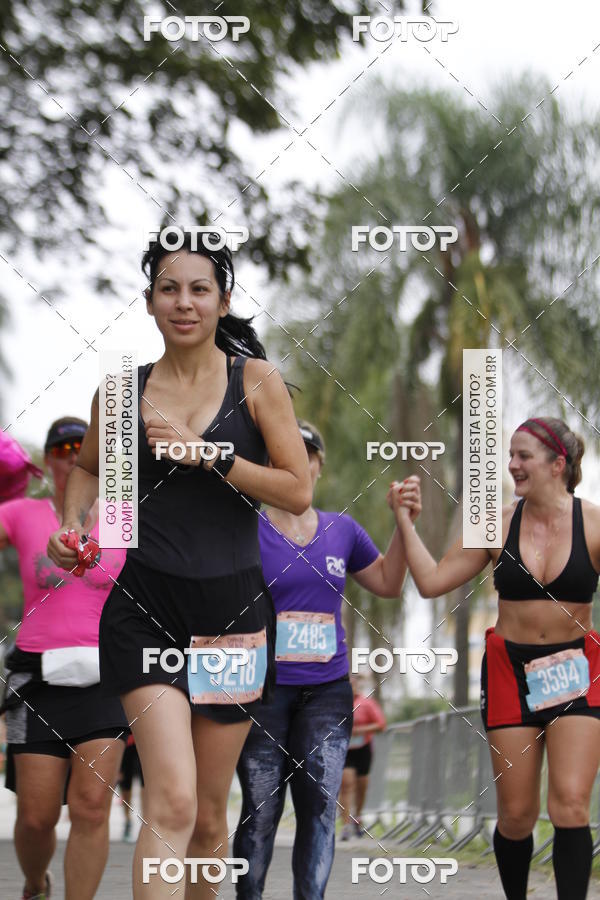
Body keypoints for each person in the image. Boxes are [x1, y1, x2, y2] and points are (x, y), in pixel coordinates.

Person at [47, 233, 312, 900]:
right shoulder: (122, 391)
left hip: (232, 618)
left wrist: (212, 455)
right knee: (171, 800)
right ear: (149, 302)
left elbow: (297, 490)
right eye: (169, 289)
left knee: (208, 816)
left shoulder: (256, 382)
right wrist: (73, 525)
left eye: (199, 289)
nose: (184, 302)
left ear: (223, 300)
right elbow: (88, 472)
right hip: (145, 610)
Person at [392, 416, 600, 900]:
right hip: (510, 670)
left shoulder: (592, 524)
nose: (512, 465)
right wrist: (404, 522)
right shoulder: (495, 523)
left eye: (523, 456)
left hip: (575, 668)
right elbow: (431, 582)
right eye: (510, 455)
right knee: (516, 815)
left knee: (571, 805)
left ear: (558, 464)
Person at [233, 421, 420, 899]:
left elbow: (389, 583)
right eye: (281, 452)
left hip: (327, 692)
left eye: (306, 452)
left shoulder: (343, 530)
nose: (294, 460)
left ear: (317, 465)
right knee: (261, 809)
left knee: (319, 808)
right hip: (263, 690)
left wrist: (403, 523)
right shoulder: (246, 528)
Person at [0, 418, 128, 900]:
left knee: (92, 807)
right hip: (34, 677)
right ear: (48, 460)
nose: (73, 455)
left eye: (82, 447)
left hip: (106, 676)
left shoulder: (122, 516)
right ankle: (36, 883)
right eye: (62, 448)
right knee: (36, 817)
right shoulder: (22, 513)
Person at [339, 675, 386, 840]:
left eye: (352, 685)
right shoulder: (337, 703)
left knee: (361, 786)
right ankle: (345, 826)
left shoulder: (367, 703)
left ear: (356, 686)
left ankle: (357, 817)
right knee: (346, 785)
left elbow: (381, 725)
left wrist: (360, 730)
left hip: (363, 748)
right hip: (344, 749)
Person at [118, 735, 145, 842]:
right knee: (125, 781)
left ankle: (146, 820)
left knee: (146, 781)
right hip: (127, 737)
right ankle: (127, 820)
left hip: (144, 737)